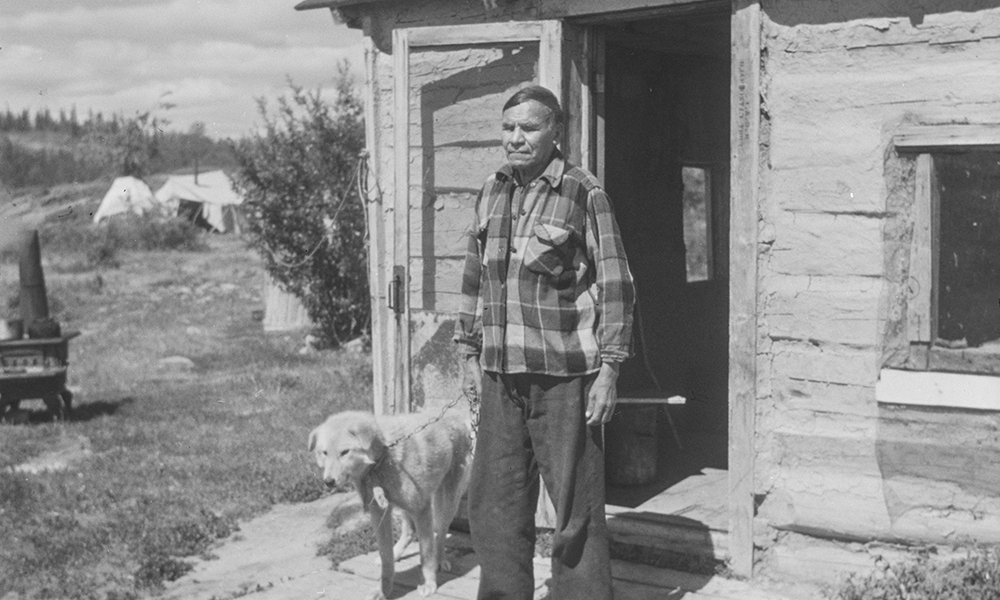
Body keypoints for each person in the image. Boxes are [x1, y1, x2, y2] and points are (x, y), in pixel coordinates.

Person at [454, 85, 635, 600]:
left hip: (565, 379)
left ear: (555, 131)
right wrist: (467, 351)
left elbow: (616, 282)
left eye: (528, 128)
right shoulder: (491, 191)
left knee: (575, 509)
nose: (516, 138)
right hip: (500, 374)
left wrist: (610, 369)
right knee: (494, 505)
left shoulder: (583, 192)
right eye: (508, 128)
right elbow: (473, 278)